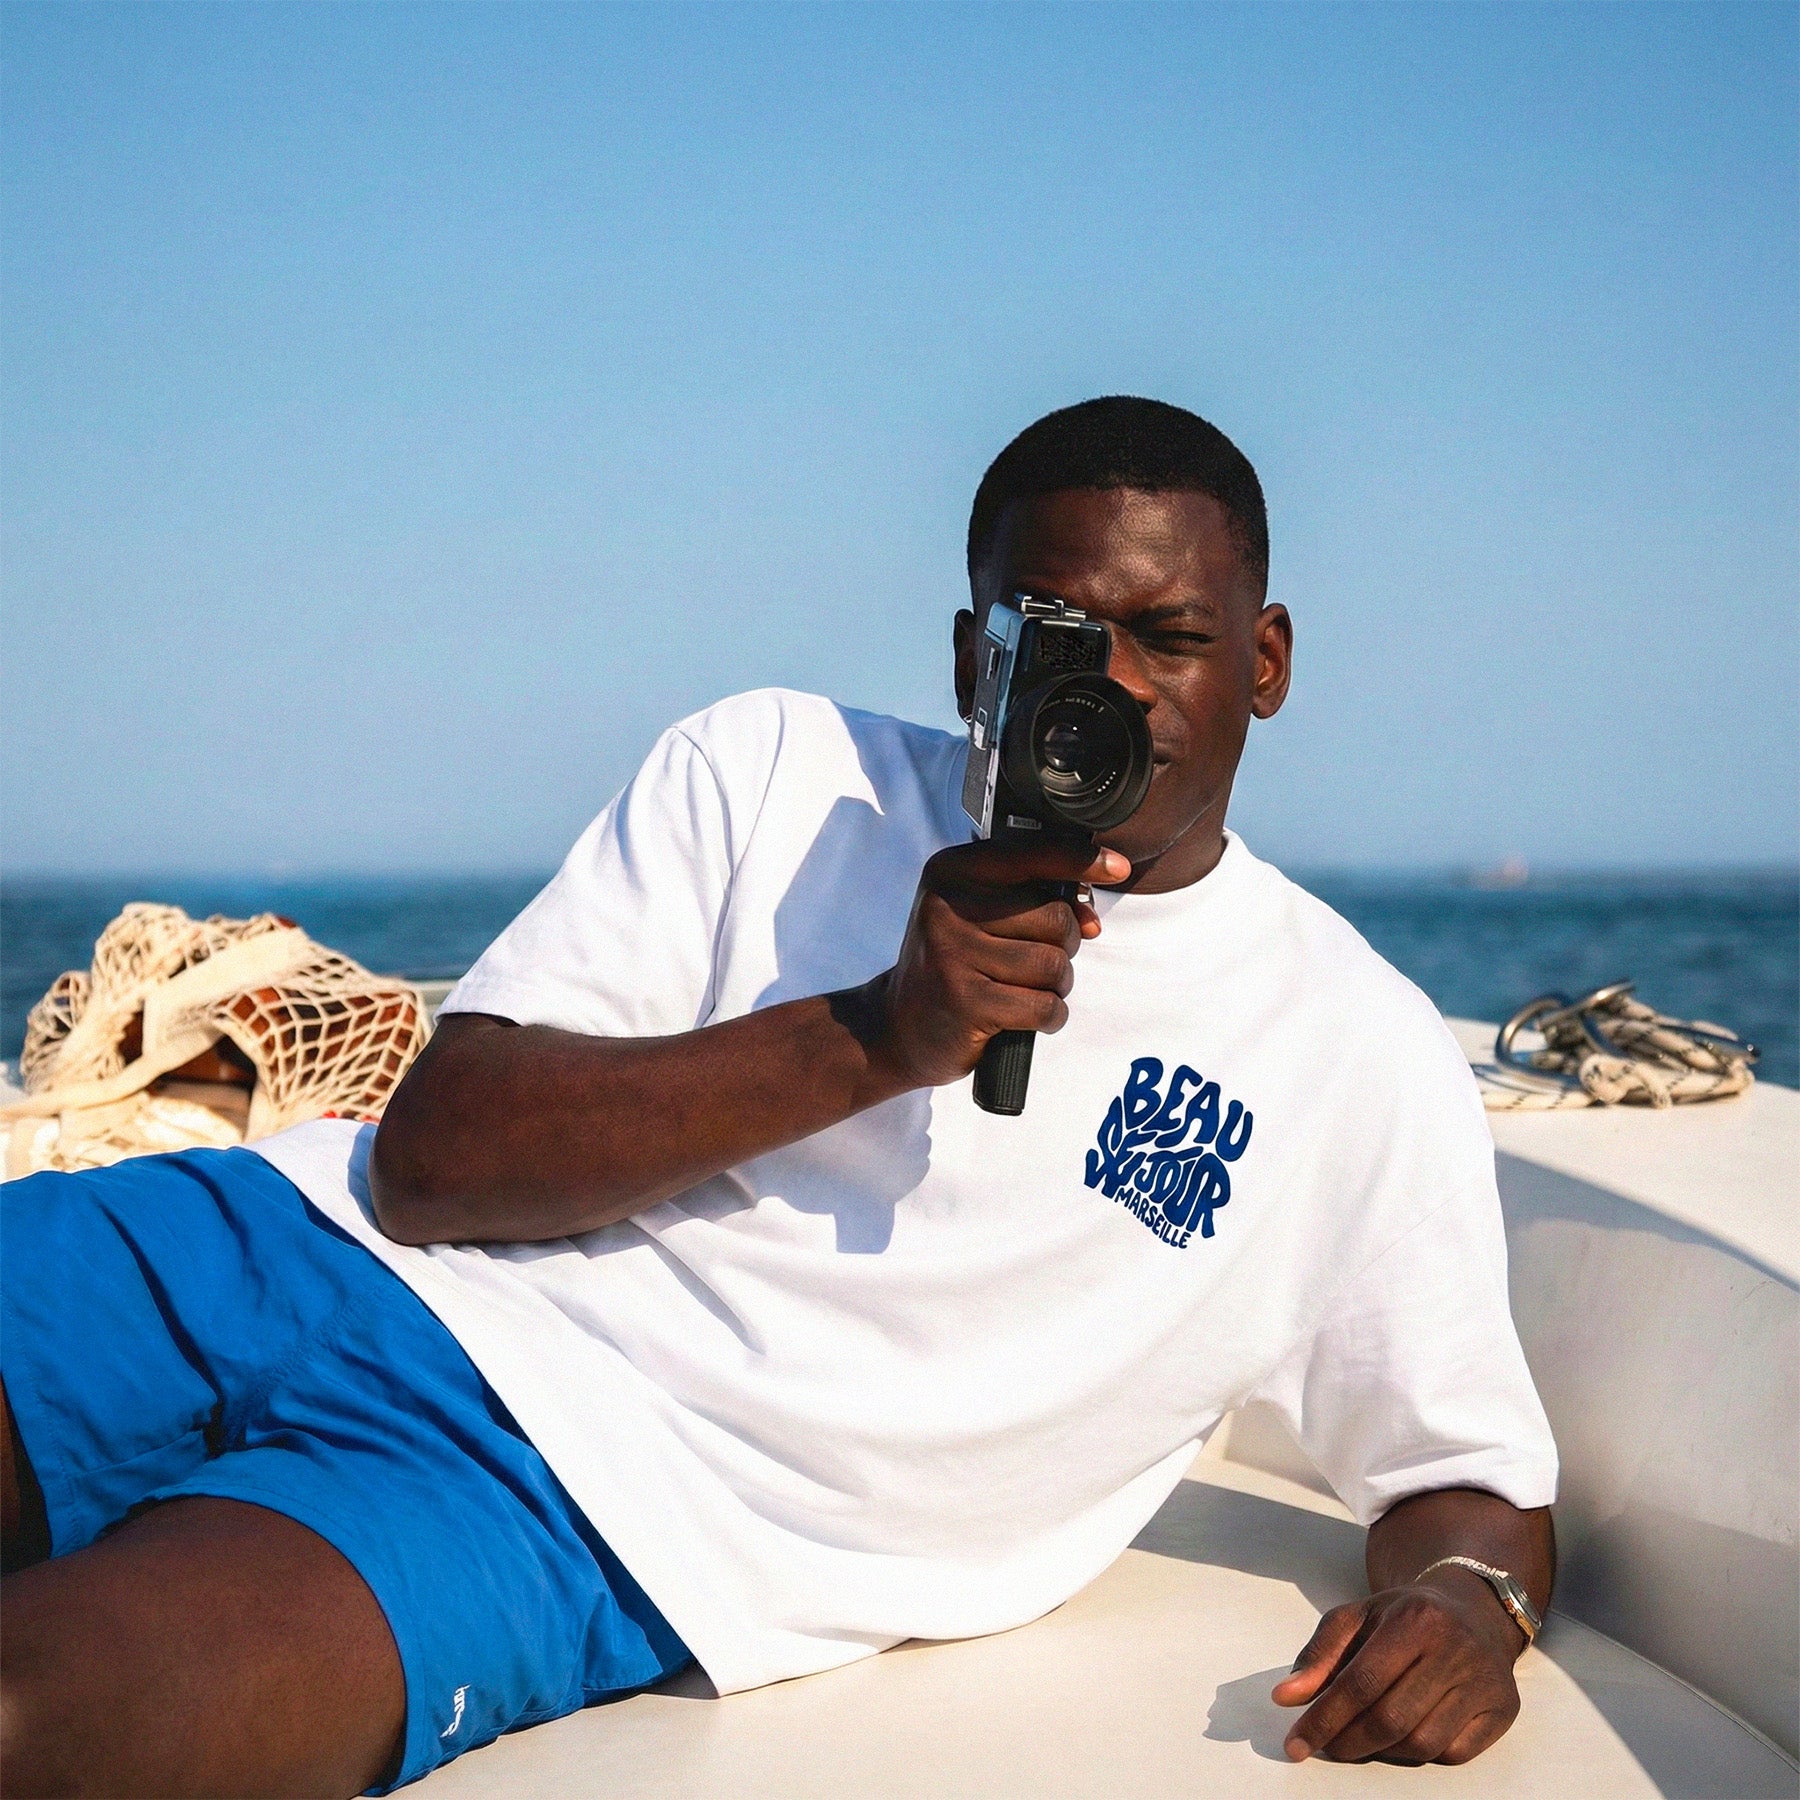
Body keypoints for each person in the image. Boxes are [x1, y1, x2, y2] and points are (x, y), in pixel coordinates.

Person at [1, 397, 1556, 1796]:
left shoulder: (1353, 1048)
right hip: (287, 1240)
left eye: (1173, 637)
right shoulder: (772, 771)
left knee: (33, 1722)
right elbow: (433, 1163)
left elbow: (1467, 1480)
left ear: (1267, 660)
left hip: (588, 1506)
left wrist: (1465, 1610)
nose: (1116, 694)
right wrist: (881, 1030)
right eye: (1056, 641)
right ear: (972, 662)